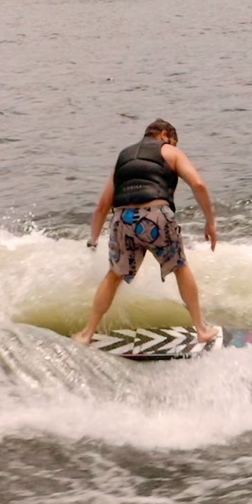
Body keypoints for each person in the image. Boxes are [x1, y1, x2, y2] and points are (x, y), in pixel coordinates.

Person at [72, 119, 220, 346]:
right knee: (180, 267)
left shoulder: (123, 157)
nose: (174, 147)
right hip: (157, 216)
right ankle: (201, 328)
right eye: (173, 142)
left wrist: (93, 240)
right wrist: (210, 222)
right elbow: (198, 184)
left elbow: (102, 205)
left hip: (122, 220)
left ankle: (87, 333)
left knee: (114, 275)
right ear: (164, 135)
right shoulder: (170, 151)